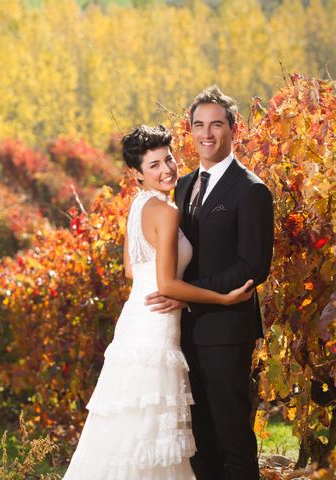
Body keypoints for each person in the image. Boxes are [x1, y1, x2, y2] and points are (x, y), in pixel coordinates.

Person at [63, 124, 255, 479]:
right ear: (136, 174)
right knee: (149, 432)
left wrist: (173, 293)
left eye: (169, 158)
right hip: (154, 329)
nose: (167, 169)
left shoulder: (138, 207)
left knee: (129, 429)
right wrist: (222, 298)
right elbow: (166, 282)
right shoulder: (166, 213)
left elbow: (131, 271)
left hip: (137, 318)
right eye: (154, 165)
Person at [145, 86, 274, 480]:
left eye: (216, 124)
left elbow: (252, 266)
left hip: (225, 330)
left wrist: (188, 295)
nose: (207, 133)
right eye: (199, 124)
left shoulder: (251, 190)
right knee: (196, 439)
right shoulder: (182, 186)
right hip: (180, 332)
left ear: (233, 129)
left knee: (231, 435)